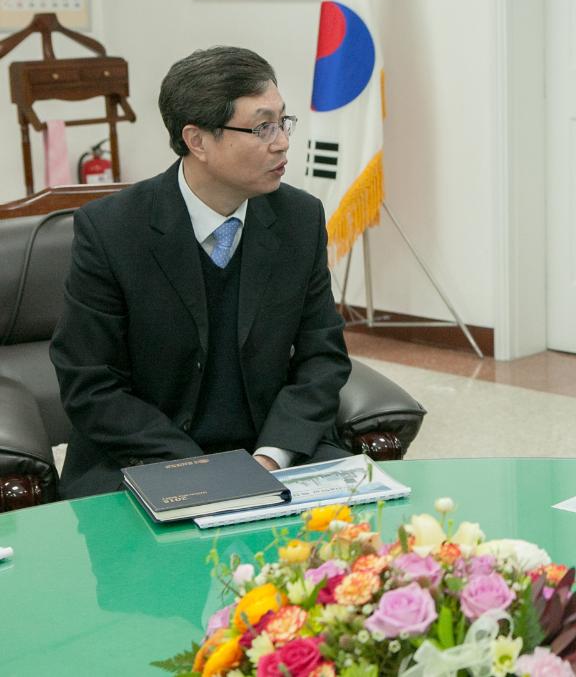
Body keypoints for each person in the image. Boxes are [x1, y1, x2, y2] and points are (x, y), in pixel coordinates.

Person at [51, 46, 352, 499]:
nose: (282, 142)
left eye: (282, 122)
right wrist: (199, 469)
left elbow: (322, 357)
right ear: (197, 141)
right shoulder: (112, 229)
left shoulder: (299, 218)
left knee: (355, 546)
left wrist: (271, 455)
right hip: (146, 456)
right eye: (261, 126)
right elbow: (89, 383)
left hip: (269, 453)